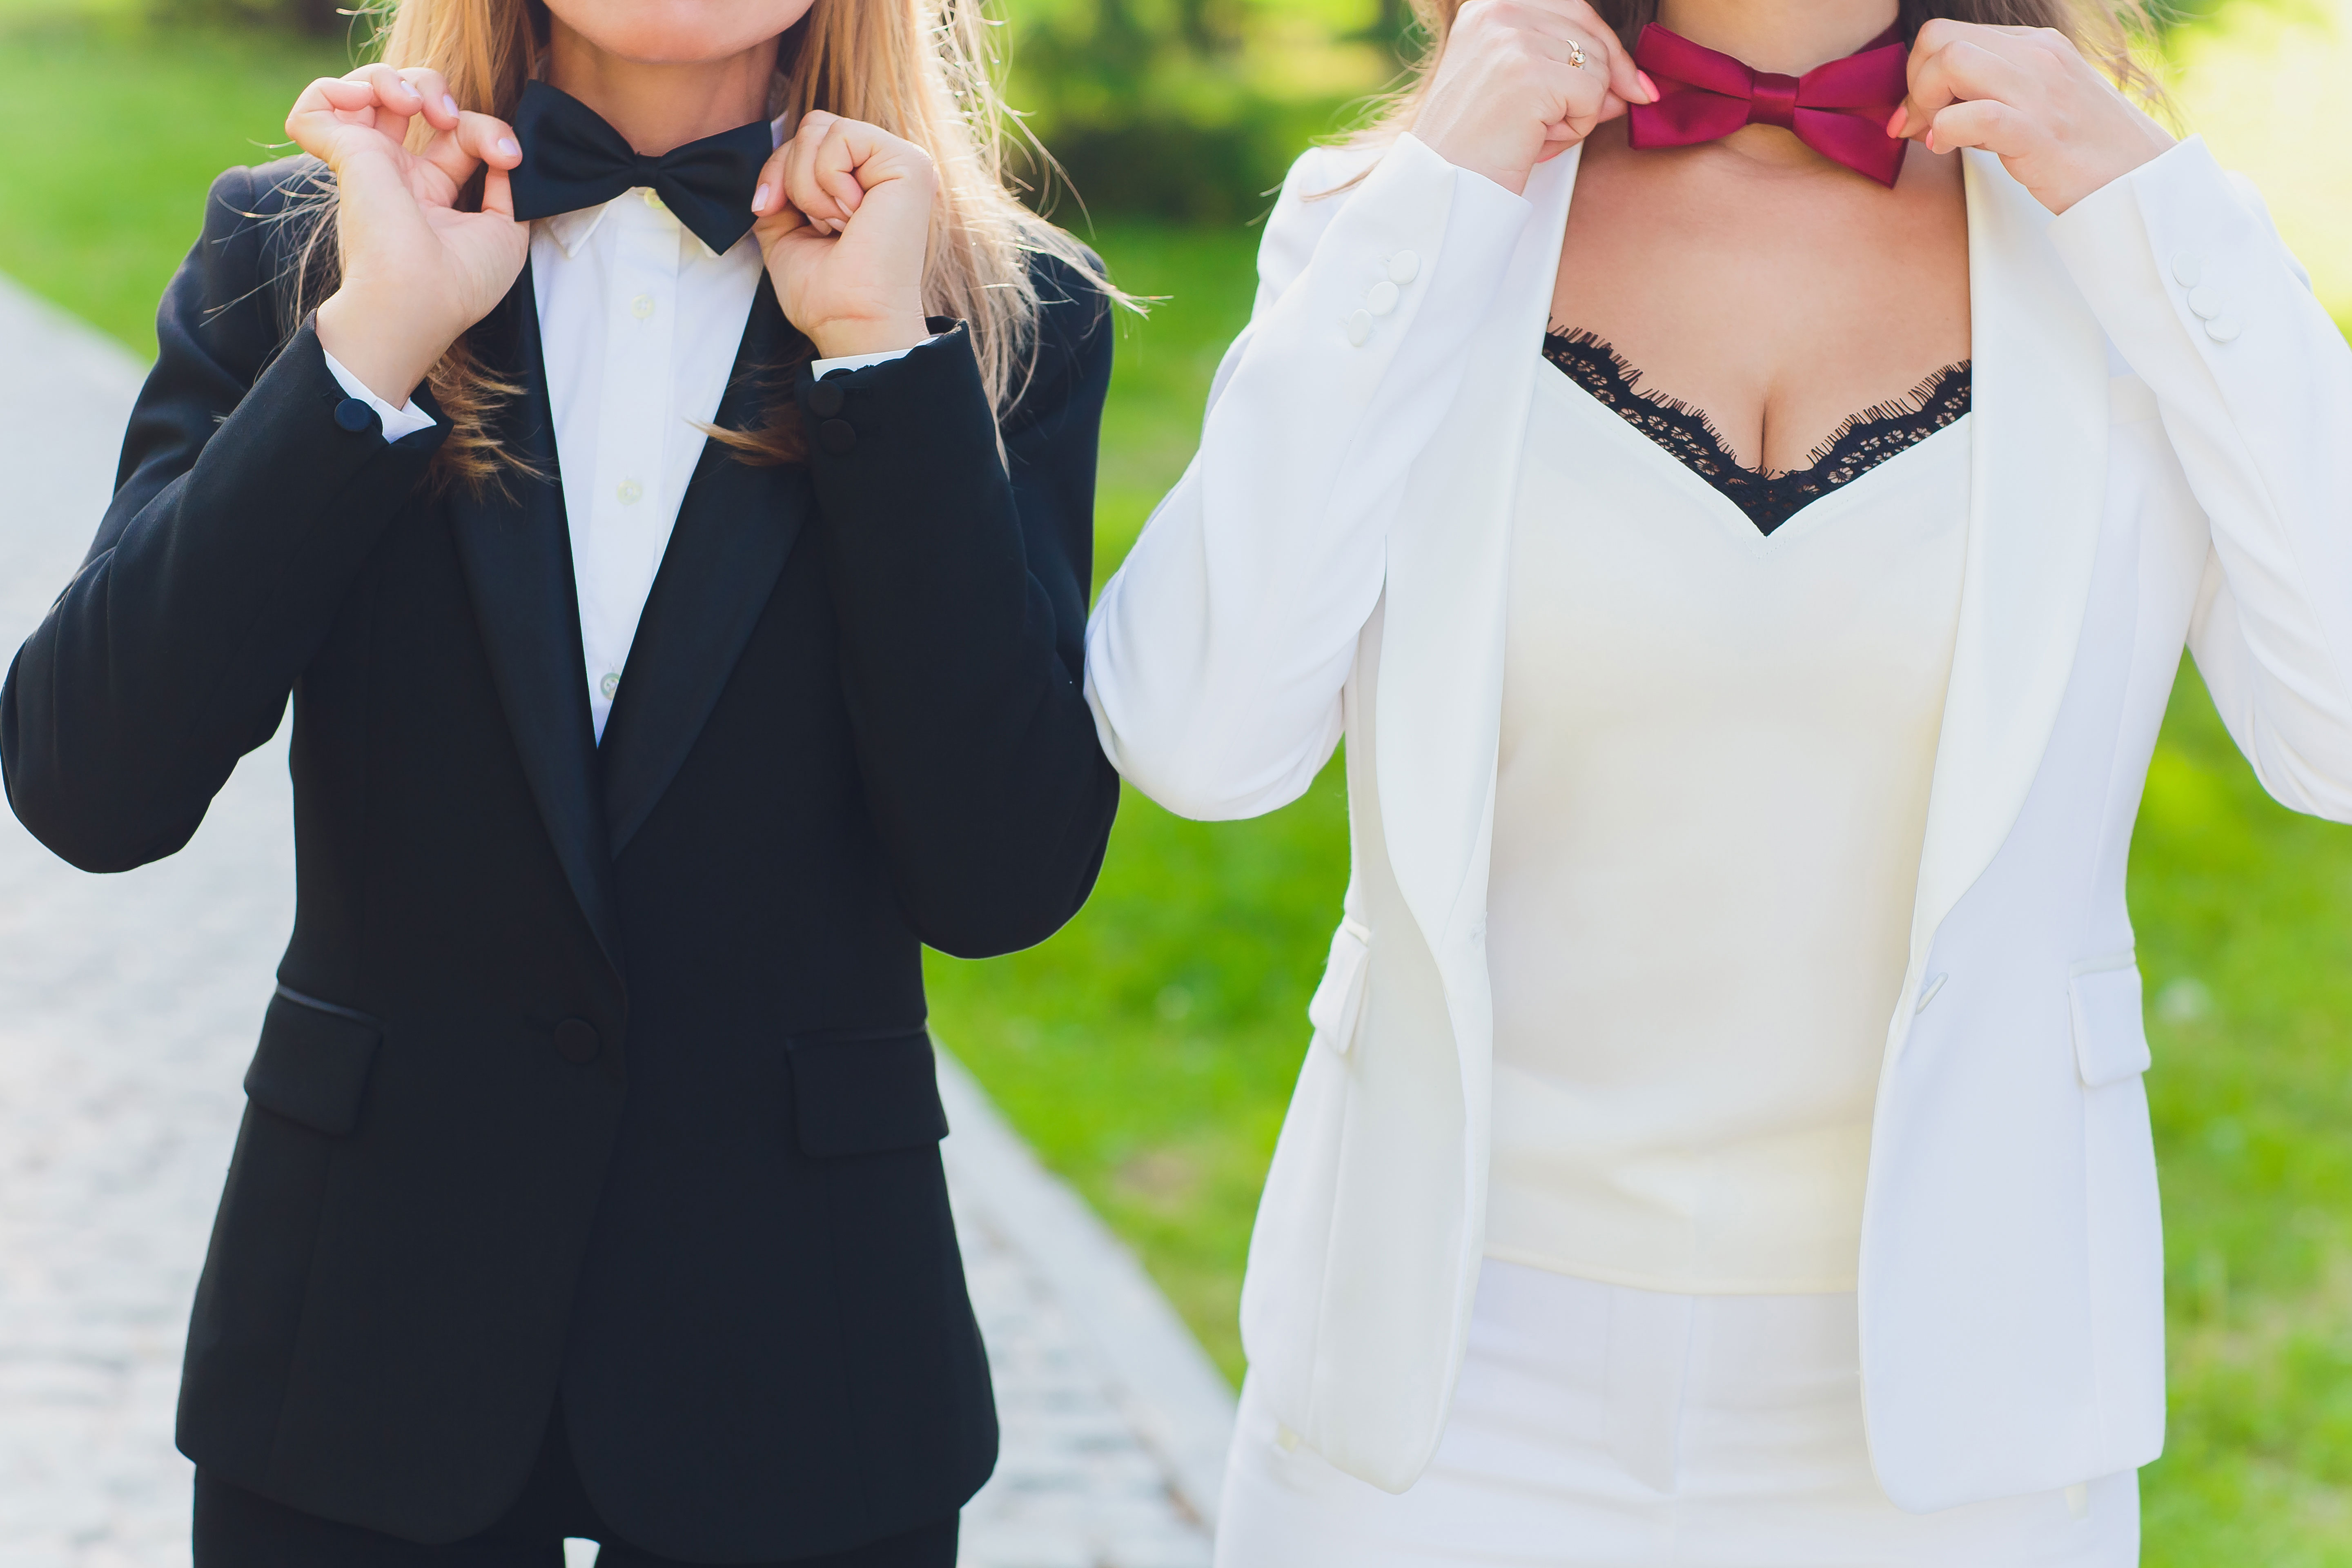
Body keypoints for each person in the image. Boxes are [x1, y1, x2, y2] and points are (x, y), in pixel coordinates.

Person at [1083, 0, 2352, 1557]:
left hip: (1965, 1413)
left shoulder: (2116, 247)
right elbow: (1200, 739)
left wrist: (2161, 213)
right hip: (1439, 1394)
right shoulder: (1415, 217)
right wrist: (1433, 187)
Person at [0, 0, 1120, 1557]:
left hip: (804, 1364)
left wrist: (880, 363)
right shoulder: (305, 243)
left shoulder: (1000, 311)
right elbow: (90, 780)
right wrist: (372, 342)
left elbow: (1003, 874)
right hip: (363, 1355)